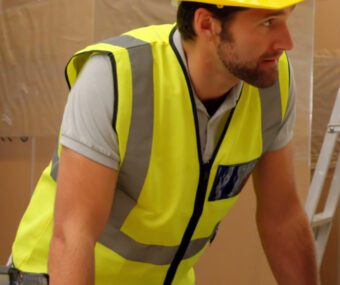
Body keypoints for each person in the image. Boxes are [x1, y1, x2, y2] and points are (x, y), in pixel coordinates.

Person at [6, 0, 318, 284]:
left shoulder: (271, 82)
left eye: (285, 20)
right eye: (267, 23)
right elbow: (74, 234)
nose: (286, 42)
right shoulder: (115, 76)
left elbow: (283, 218)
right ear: (206, 23)